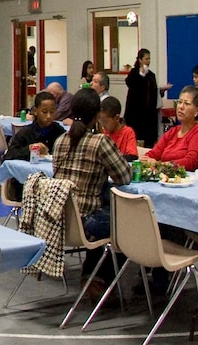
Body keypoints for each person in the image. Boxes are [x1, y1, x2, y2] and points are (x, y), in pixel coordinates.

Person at [52, 88, 136, 301]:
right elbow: (124, 176)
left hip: (61, 218)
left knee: (108, 213)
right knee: (129, 223)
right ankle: (100, 279)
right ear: (97, 114)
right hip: (86, 220)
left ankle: (91, 274)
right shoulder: (99, 142)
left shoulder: (60, 140)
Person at [143, 86, 198, 171]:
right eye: (179, 102)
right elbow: (153, 153)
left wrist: (160, 165)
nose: (181, 107)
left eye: (186, 104)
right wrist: (147, 159)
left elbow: (191, 162)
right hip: (166, 176)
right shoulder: (172, 132)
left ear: (197, 111)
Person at [3, 92, 64, 162]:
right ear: (35, 111)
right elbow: (9, 155)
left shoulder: (59, 131)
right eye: (44, 112)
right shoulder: (25, 133)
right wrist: (29, 149)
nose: (48, 116)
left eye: (52, 112)